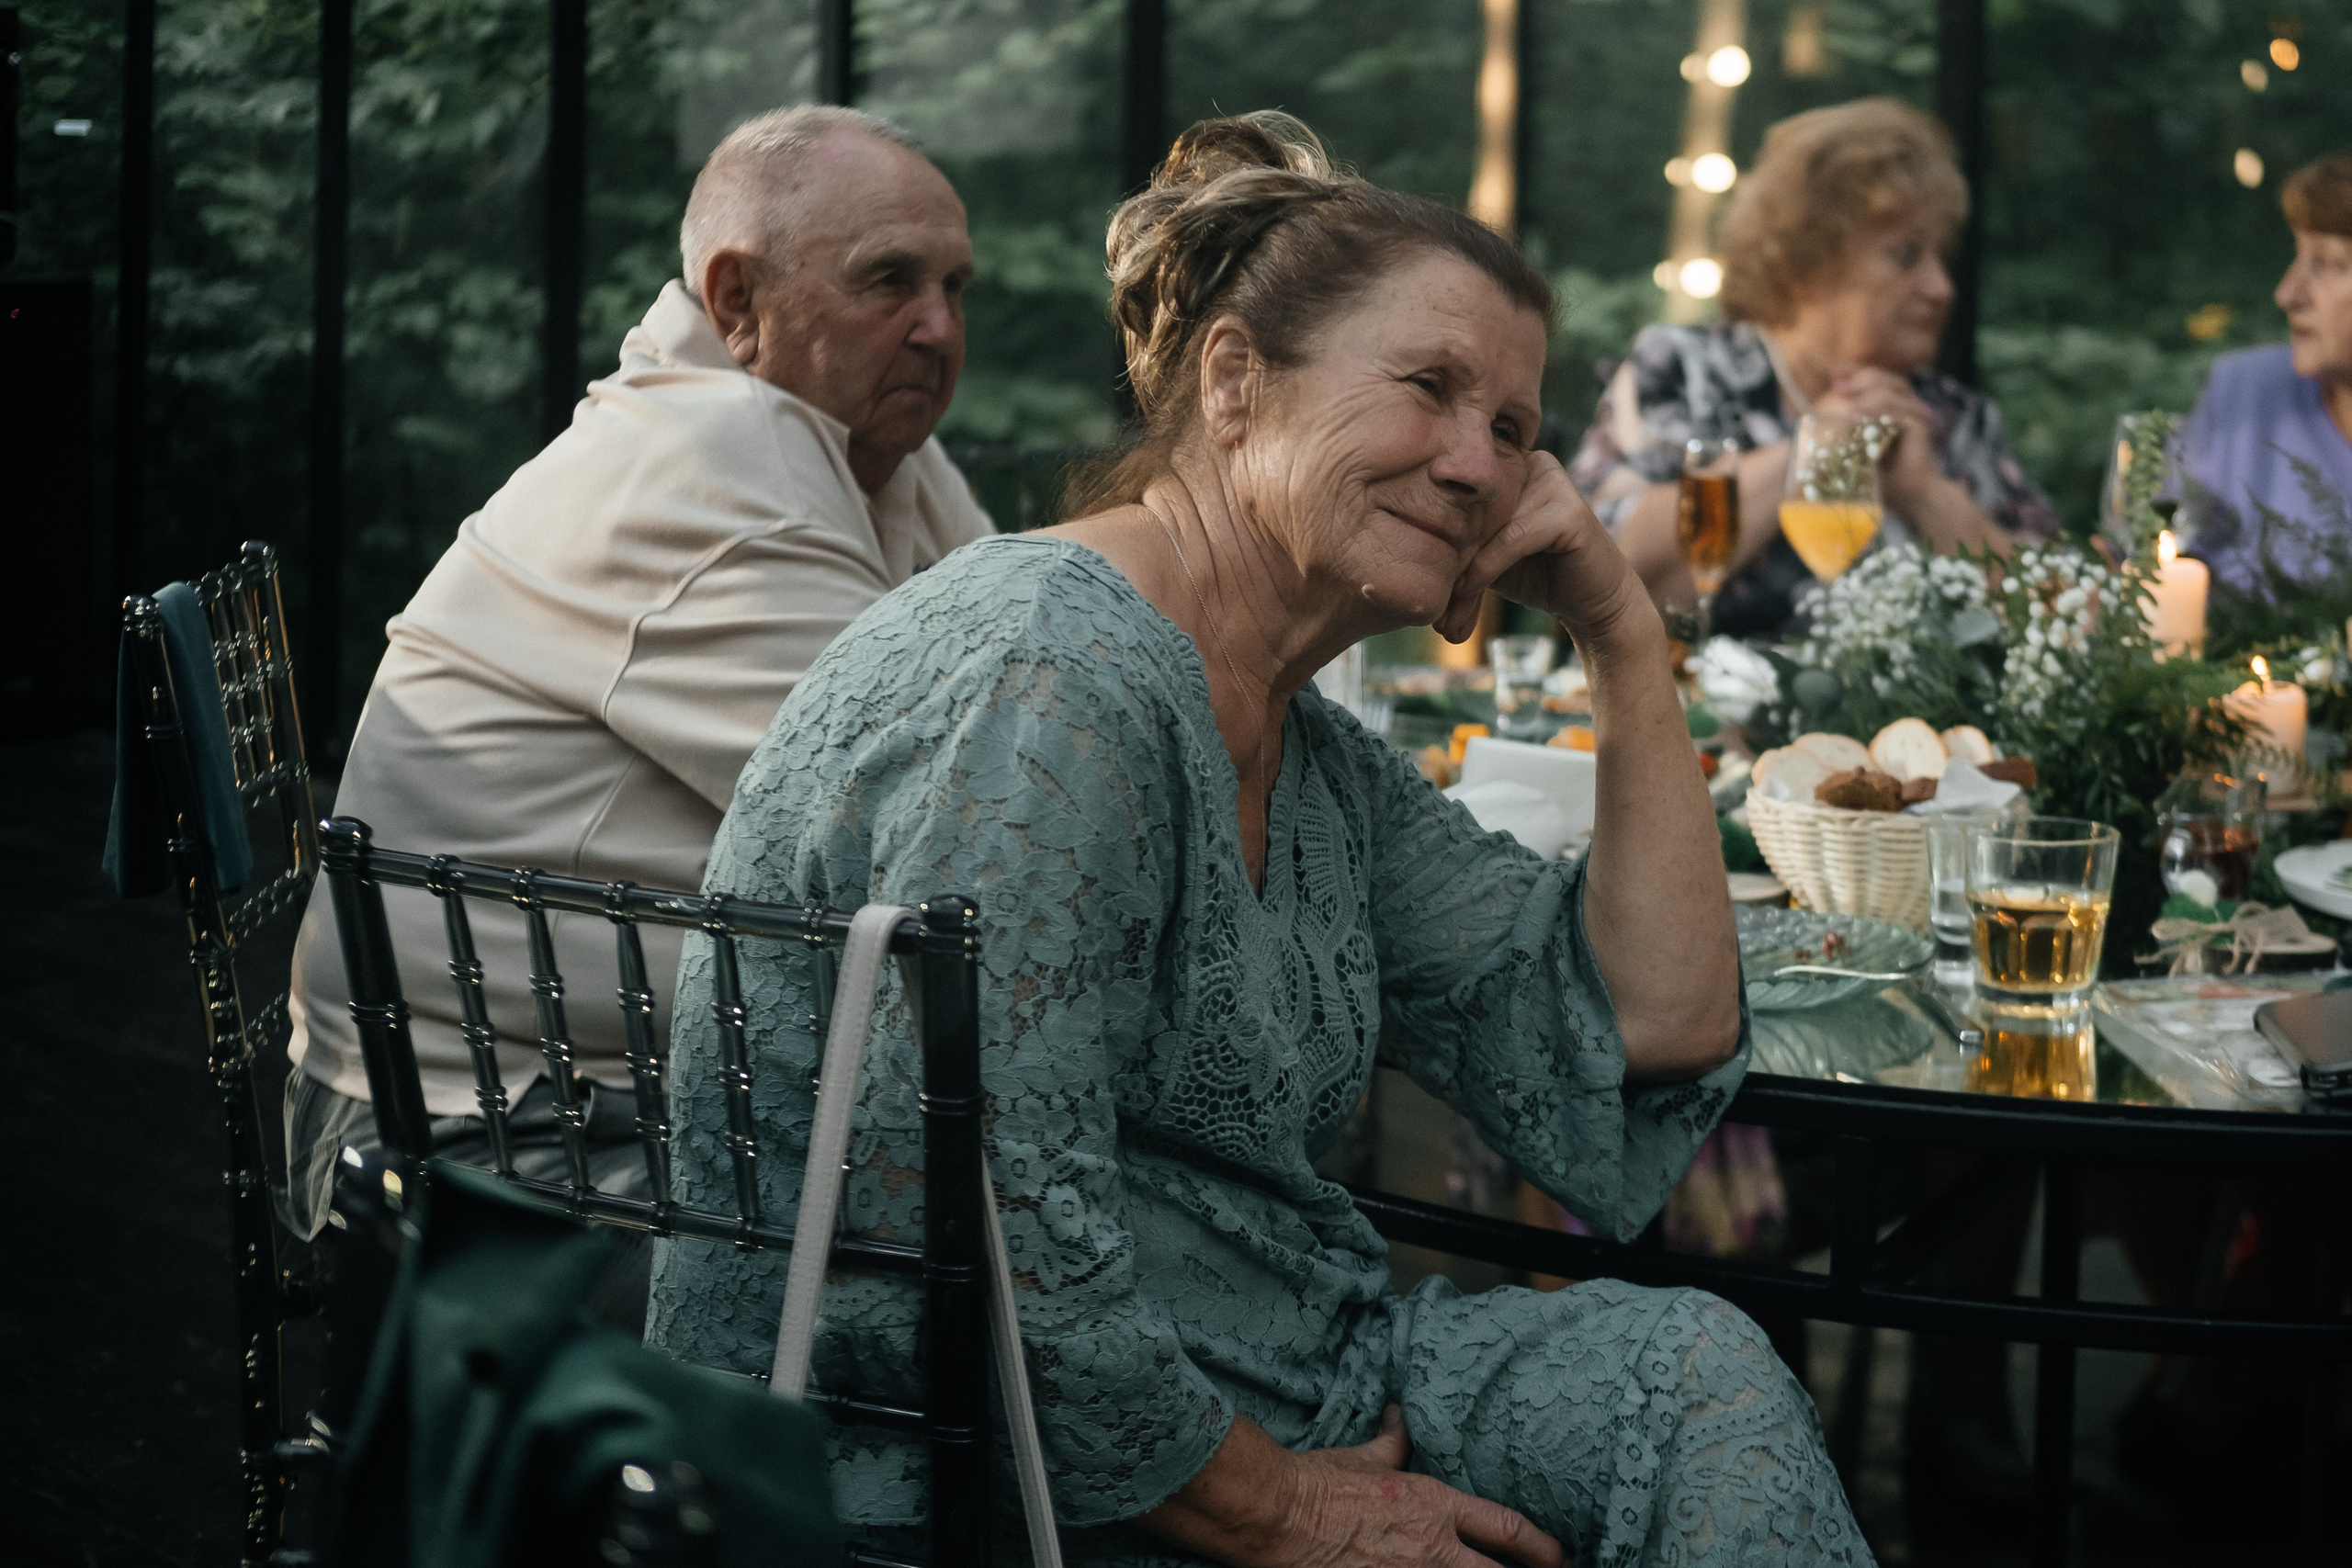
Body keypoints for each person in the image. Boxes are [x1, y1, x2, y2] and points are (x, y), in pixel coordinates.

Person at [650, 112, 1866, 1567]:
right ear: (1232, 380)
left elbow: (1656, 1020)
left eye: (1517, 429)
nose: (1481, 465)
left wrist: (1619, 628)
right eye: (1430, 387)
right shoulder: (1054, 670)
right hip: (974, 1472)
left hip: (1300, 1380)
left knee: (1696, 1375)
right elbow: (984, 1213)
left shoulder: (1317, 758)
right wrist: (1291, 1513)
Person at [278, 104, 991, 1239]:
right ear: (736, 301)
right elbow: (951, 830)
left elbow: (1021, 698)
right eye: (889, 282)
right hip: (482, 1133)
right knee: (1013, 1262)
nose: (938, 329)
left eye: (956, 288)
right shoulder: (721, 474)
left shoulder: (864, 445)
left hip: (624, 1084)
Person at [1572, 96, 2058, 638]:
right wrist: (1811, 449)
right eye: (1905, 255)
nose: (1941, 287)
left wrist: (1925, 492)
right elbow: (1596, 571)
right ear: (1805, 262)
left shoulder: (1954, 417)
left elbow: (2062, 613)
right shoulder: (1687, 372)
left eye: (1943, 257)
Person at [2177, 151, 2352, 601]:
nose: (2287, 293)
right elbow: (2150, 568)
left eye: (2329, 264)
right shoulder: (2241, 395)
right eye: (2298, 258)